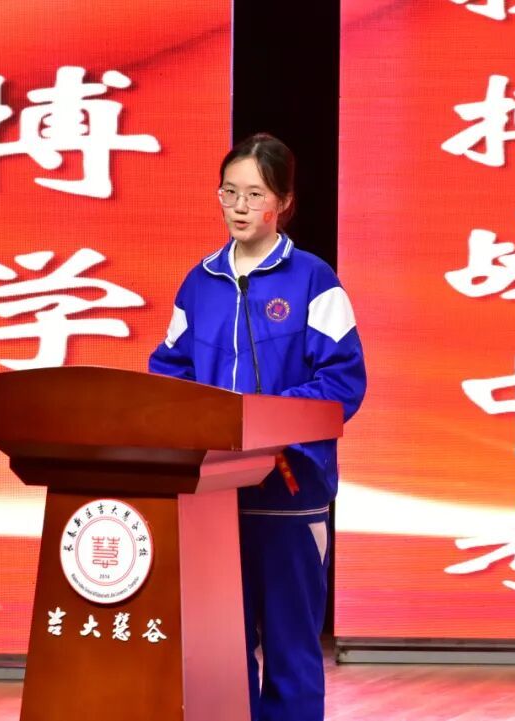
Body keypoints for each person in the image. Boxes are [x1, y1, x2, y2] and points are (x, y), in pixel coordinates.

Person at [148, 133, 366, 721]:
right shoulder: (199, 283)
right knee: (222, 648)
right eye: (229, 192)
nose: (239, 207)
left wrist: (266, 422)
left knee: (293, 649)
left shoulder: (314, 280)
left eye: (255, 194)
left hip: (291, 490)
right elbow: (168, 373)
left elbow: (343, 382)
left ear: (284, 202)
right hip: (214, 494)